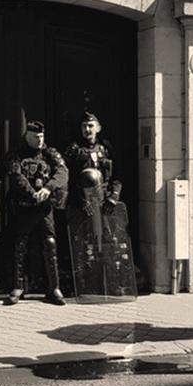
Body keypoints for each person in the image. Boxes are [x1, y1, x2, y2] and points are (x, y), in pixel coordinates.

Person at [64, 111, 131, 297]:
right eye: (84, 126)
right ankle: (83, 285)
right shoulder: (74, 150)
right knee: (84, 244)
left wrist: (113, 197)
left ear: (98, 128)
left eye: (91, 126)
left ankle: (112, 283)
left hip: (106, 204)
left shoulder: (107, 149)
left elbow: (117, 176)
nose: (87, 130)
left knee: (111, 243)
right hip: (83, 206)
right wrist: (80, 200)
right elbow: (67, 179)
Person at [5, 120, 69, 306]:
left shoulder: (50, 154)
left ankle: (54, 287)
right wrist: (32, 193)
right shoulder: (16, 155)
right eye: (35, 137)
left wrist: (48, 188)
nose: (39, 140)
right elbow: (16, 176)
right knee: (20, 245)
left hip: (44, 208)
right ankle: (18, 286)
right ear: (27, 136)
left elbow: (63, 172)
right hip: (24, 207)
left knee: (50, 244)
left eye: (41, 136)